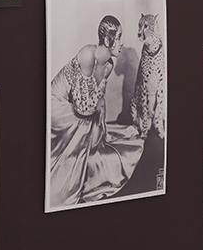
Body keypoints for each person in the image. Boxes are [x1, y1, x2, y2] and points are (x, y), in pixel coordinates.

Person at [45, 16, 147, 207]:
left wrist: (100, 133)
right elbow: (83, 108)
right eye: (119, 37)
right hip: (57, 105)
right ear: (108, 40)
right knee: (82, 125)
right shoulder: (87, 54)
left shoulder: (108, 66)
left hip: (81, 111)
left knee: (94, 133)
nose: (122, 42)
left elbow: (99, 104)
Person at [130, 13, 167, 189]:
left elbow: (161, 89)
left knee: (160, 92)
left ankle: (158, 125)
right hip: (141, 106)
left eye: (145, 26)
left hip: (156, 105)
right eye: (140, 26)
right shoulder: (145, 50)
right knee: (142, 92)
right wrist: (143, 123)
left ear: (154, 27)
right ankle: (144, 126)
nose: (140, 30)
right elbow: (142, 90)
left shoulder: (161, 49)